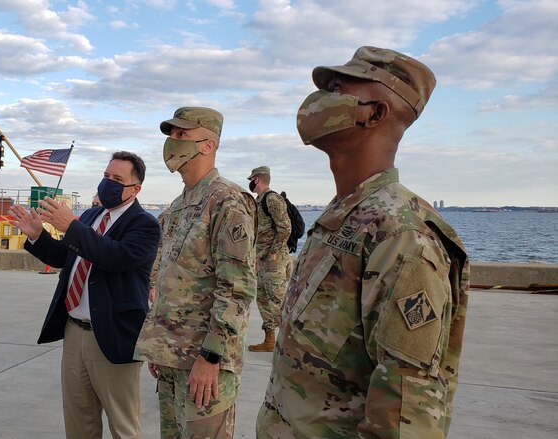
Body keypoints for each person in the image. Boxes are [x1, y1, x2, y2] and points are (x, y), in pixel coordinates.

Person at [256, 47, 470, 438]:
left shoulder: (401, 235)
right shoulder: (345, 217)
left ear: (375, 113)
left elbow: (407, 417)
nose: (319, 99)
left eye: (337, 88)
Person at [8, 151, 160, 439]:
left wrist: (72, 227)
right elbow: (65, 258)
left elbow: (115, 258)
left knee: (123, 425)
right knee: (79, 422)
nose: (108, 183)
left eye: (117, 179)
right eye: (106, 176)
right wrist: (37, 236)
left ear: (135, 189)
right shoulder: (91, 215)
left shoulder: (144, 224)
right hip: (74, 331)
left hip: (113, 335)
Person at [135, 107, 257, 438]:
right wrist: (159, 346)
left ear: (208, 145)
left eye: (181, 135)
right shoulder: (178, 206)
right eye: (171, 135)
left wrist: (211, 355)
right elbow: (169, 278)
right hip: (173, 357)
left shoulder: (227, 201)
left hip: (206, 362)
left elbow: (237, 288)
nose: (172, 142)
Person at [246, 166, 291, 352]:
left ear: (257, 179)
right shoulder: (259, 200)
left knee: (277, 300)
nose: (249, 183)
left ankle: (288, 344)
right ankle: (270, 340)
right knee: (263, 299)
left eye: (251, 179)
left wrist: (273, 250)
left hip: (274, 260)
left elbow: (285, 228)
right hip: (263, 259)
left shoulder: (272, 199)